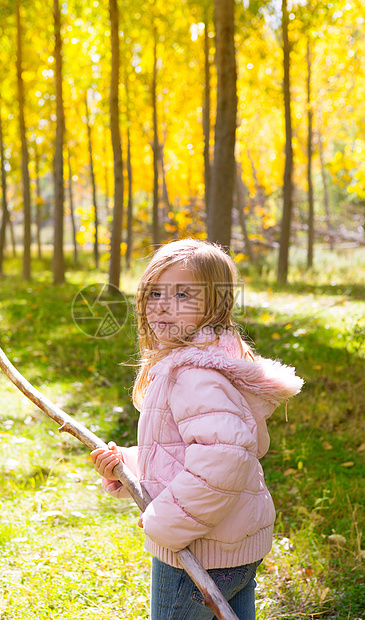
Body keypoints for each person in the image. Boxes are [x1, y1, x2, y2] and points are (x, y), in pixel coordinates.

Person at [91, 239, 303, 620]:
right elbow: (189, 451)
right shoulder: (209, 363)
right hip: (230, 546)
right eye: (155, 292)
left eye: (182, 294)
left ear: (215, 305)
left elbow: (224, 460)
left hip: (198, 553)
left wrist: (164, 523)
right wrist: (127, 464)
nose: (161, 305)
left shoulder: (194, 375)